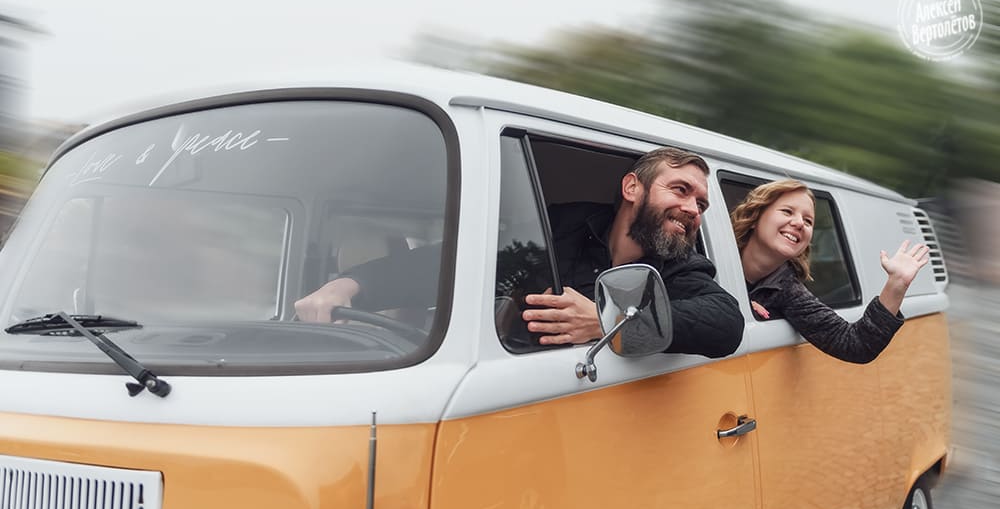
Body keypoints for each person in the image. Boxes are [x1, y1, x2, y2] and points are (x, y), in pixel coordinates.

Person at [295, 147, 744, 359]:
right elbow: (456, 263)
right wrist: (348, 285)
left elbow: (725, 324)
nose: (691, 209)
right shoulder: (556, 230)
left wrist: (611, 320)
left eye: (700, 204)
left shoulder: (680, 261)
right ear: (632, 188)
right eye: (680, 190)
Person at [730, 179, 930, 364]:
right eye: (787, 211)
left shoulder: (789, 291)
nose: (799, 223)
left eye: (808, 221)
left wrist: (897, 284)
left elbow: (855, 344)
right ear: (755, 216)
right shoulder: (706, 253)